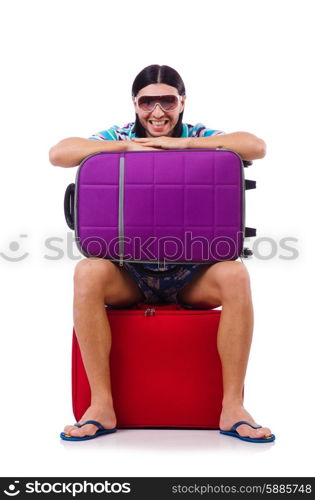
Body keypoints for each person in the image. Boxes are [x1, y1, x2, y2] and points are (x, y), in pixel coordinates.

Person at [50, 64, 274, 443]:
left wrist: (184, 144)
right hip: (130, 275)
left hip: (191, 276)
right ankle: (101, 406)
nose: (158, 112)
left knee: (235, 273)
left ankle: (232, 407)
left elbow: (256, 146)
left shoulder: (200, 134)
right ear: (135, 104)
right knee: (87, 271)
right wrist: (124, 147)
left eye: (167, 101)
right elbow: (60, 153)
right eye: (147, 102)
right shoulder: (119, 135)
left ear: (181, 101)